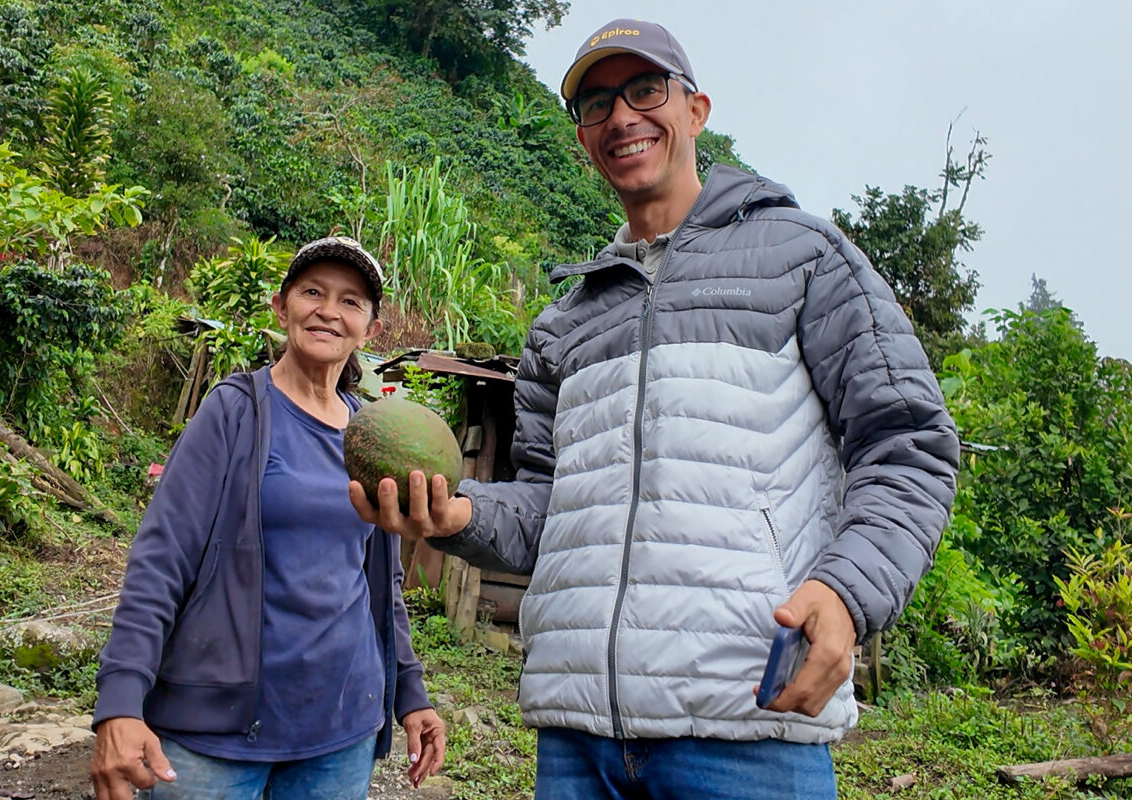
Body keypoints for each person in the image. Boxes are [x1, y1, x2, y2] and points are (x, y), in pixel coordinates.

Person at [350, 17, 960, 800]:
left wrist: (845, 592)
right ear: (582, 139)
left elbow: (907, 444)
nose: (622, 117)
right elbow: (548, 513)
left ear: (696, 109)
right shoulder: (564, 325)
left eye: (645, 89)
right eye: (597, 104)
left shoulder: (803, 258)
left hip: (745, 727)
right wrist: (457, 518)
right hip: (578, 744)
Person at [90, 236, 446, 800]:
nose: (329, 311)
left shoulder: (374, 437)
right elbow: (160, 561)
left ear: (372, 330)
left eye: (351, 301)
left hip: (342, 730)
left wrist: (410, 691)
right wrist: (120, 702)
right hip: (215, 733)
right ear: (281, 307)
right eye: (313, 292)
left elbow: (380, 583)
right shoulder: (234, 412)